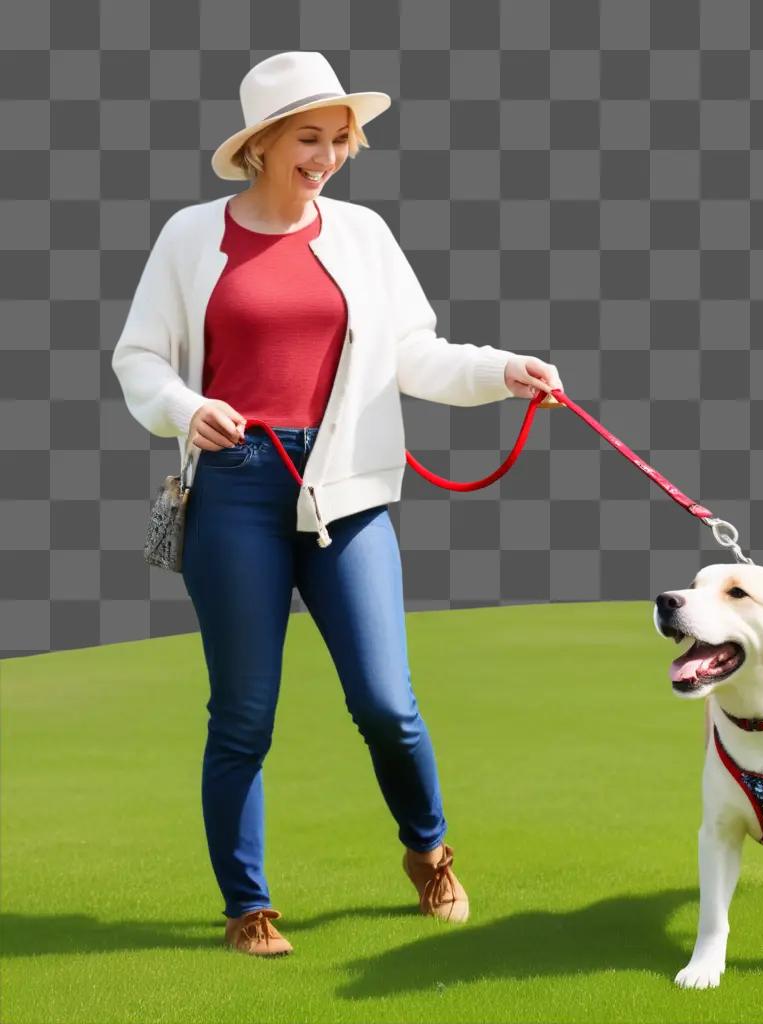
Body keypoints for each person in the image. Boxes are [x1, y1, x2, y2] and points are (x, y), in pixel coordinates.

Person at [111, 51, 563, 957]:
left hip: (346, 492)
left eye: (340, 140)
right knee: (243, 713)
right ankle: (248, 906)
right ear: (262, 145)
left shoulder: (361, 235)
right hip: (233, 487)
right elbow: (140, 360)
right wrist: (186, 407)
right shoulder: (191, 237)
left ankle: (427, 850)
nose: (328, 156)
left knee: (386, 702)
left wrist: (501, 373)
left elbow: (416, 354)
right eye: (309, 139)